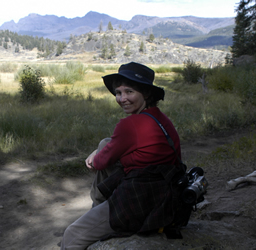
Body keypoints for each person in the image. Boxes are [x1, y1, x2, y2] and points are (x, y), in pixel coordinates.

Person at [61, 62, 185, 250]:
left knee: (71, 235)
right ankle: (98, 209)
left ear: (146, 93)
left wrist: (96, 155)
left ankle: (98, 212)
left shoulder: (130, 125)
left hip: (141, 201)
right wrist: (103, 149)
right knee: (105, 143)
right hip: (165, 193)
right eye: (118, 93)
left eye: (129, 92)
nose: (122, 98)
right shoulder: (159, 118)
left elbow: (100, 162)